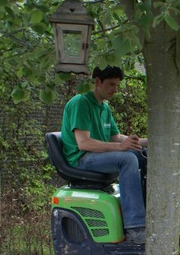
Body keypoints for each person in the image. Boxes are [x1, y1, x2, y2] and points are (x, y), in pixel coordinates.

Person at [61, 66, 147, 244]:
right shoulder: (81, 102)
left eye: (117, 85)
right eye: (111, 84)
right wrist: (120, 147)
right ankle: (135, 228)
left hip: (96, 157)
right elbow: (84, 143)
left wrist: (150, 142)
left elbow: (117, 137)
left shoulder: (103, 107)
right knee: (128, 158)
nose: (115, 89)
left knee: (143, 155)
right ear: (97, 82)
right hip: (81, 159)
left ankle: (148, 215)